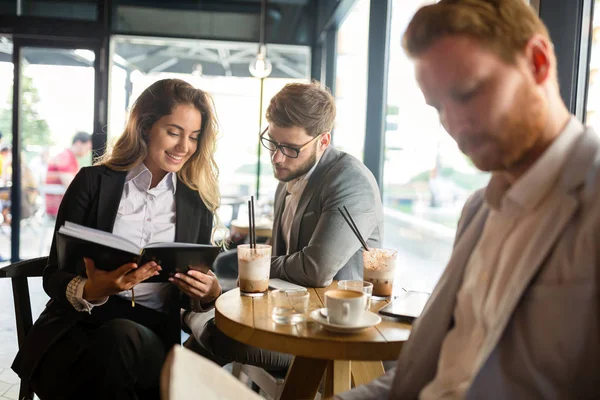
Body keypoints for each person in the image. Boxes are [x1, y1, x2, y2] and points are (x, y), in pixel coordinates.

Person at [337, 0, 600, 399]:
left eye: (468, 93)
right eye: (439, 106)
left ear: (538, 63)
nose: (454, 125)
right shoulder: (478, 210)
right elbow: (428, 376)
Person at [12, 78, 223, 400]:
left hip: (148, 336)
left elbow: (189, 292)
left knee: (120, 339)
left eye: (194, 137)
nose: (185, 147)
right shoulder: (92, 183)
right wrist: (92, 290)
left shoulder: (197, 202)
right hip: (78, 328)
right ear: (144, 126)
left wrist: (208, 294)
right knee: (111, 353)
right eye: (174, 132)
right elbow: (54, 274)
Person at [185, 82, 384, 372]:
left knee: (219, 333)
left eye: (290, 148)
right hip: (288, 317)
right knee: (201, 335)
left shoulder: (350, 181)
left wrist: (256, 265)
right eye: (272, 142)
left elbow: (316, 269)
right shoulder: (290, 177)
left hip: (332, 336)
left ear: (323, 141)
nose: (277, 158)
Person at [44, 131, 92, 218]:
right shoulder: (66, 157)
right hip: (60, 208)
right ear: (79, 143)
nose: (88, 152)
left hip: (62, 206)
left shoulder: (70, 157)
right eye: (88, 148)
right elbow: (71, 185)